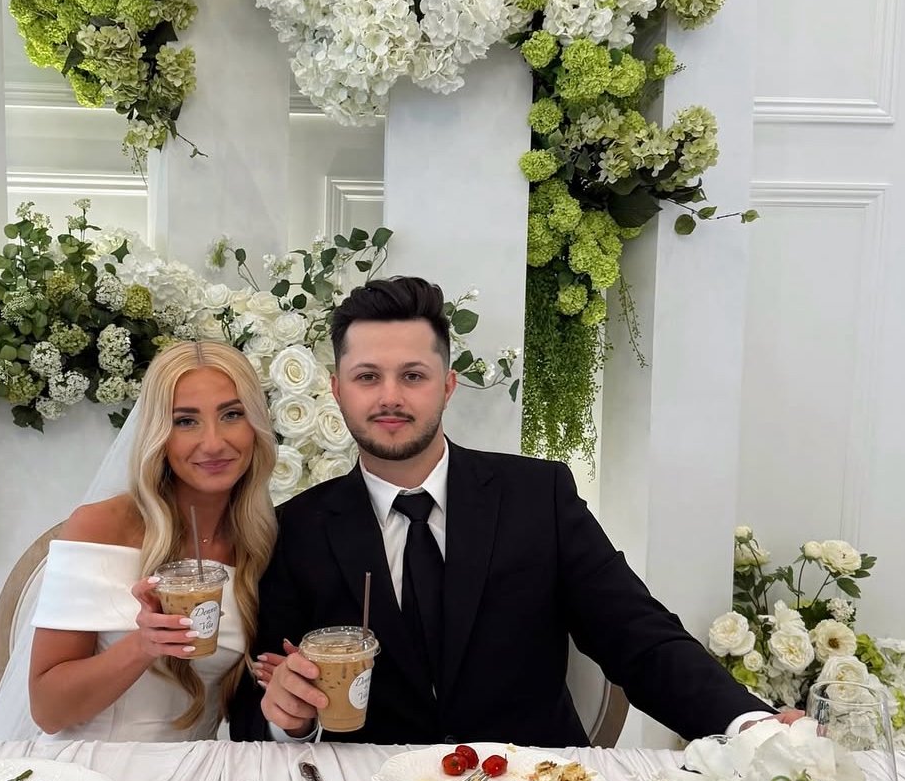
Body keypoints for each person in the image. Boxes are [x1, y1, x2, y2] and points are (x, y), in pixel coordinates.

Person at [240, 276, 780, 746]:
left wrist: (748, 723)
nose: (389, 397)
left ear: (447, 386)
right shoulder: (296, 530)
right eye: (366, 377)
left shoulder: (538, 496)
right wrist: (288, 720)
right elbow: (258, 696)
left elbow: (635, 633)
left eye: (413, 375)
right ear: (337, 391)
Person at [23, 339, 277, 741]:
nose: (213, 443)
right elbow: (48, 711)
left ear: (256, 425)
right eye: (185, 421)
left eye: (232, 414)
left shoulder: (263, 542)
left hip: (200, 779)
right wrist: (144, 644)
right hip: (87, 778)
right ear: (159, 433)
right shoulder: (100, 526)